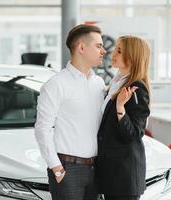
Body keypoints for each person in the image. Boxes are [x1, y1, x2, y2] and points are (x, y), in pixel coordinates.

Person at [34, 24, 106, 200]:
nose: (103, 51)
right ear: (81, 47)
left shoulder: (98, 83)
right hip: (67, 168)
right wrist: (56, 168)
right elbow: (42, 128)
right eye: (98, 46)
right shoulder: (56, 84)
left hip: (96, 168)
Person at [96, 35, 151, 200]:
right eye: (115, 48)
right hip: (113, 172)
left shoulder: (136, 88)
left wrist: (120, 108)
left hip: (124, 176)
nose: (113, 53)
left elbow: (134, 134)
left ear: (132, 57)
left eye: (119, 50)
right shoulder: (116, 83)